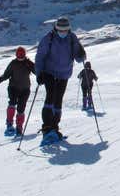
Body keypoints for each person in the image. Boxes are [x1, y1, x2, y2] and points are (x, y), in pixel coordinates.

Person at [34, 16, 86, 144]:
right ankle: (47, 128)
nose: (63, 33)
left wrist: (81, 53)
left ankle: (54, 128)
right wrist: (39, 73)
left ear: (68, 30)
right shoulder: (49, 38)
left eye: (65, 30)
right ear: (55, 29)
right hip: (49, 72)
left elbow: (79, 58)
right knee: (50, 97)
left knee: (58, 101)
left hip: (64, 74)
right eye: (60, 30)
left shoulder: (72, 38)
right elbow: (40, 56)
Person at [0, 46, 35, 136]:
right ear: (16, 54)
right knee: (12, 103)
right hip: (13, 88)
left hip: (25, 89)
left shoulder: (29, 63)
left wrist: (41, 77)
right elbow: (6, 74)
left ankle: (19, 128)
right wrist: (0, 79)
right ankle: (9, 124)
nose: (20, 56)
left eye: (21, 54)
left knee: (21, 109)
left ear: (24, 54)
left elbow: (36, 71)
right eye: (18, 54)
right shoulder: (13, 63)